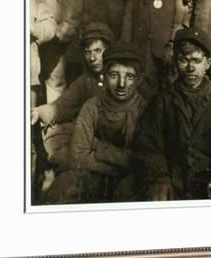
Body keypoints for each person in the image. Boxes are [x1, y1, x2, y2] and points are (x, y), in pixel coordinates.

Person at [133, 27, 211, 201]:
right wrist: (160, 176)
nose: (190, 67)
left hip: (209, 179)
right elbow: (149, 144)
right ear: (176, 61)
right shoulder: (163, 100)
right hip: (172, 179)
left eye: (197, 61)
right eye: (184, 60)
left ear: (207, 64)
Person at [45, 43, 148, 204]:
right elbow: (77, 156)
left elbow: (139, 161)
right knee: (62, 186)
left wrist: (98, 147)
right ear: (105, 76)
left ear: (139, 79)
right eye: (114, 75)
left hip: (129, 179)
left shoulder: (145, 110)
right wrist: (117, 163)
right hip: (94, 173)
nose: (122, 84)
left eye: (129, 76)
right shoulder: (92, 106)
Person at [30, 22, 115, 201]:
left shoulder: (119, 78)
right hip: (89, 148)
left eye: (98, 51)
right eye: (88, 52)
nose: (92, 57)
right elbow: (63, 104)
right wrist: (40, 112)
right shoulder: (86, 81)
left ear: (109, 49)